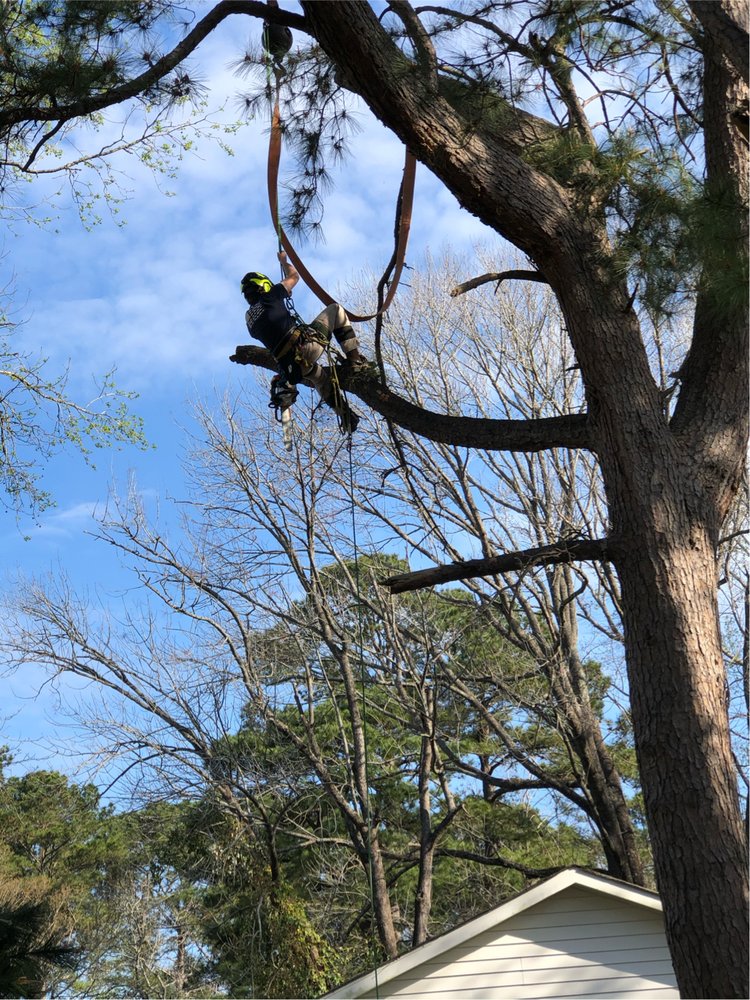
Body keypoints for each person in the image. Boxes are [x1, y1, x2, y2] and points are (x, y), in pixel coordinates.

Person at [240, 251, 368, 433]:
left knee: (321, 380)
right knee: (336, 310)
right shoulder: (271, 296)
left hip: (294, 368)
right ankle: (356, 362)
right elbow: (294, 276)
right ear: (264, 286)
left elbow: (274, 325)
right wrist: (283, 261)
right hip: (306, 348)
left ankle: (345, 414)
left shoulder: (250, 321)